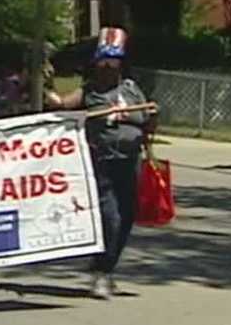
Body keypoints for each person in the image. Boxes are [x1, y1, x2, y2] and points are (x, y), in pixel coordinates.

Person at [45, 26, 158, 300]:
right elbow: (61, 104)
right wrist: (44, 85)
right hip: (102, 161)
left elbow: (147, 121)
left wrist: (152, 117)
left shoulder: (131, 90)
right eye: (104, 61)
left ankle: (107, 268)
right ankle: (101, 272)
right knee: (111, 218)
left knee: (128, 216)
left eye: (113, 61)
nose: (108, 67)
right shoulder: (89, 92)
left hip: (130, 160)